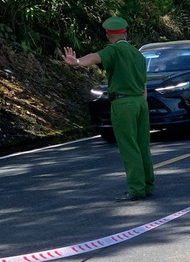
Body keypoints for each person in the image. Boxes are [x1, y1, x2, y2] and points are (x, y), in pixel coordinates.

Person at [63, 16, 153, 202]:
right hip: (141, 102)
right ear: (125, 32)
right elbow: (144, 84)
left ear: (107, 35)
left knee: (129, 146)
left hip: (123, 103)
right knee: (143, 144)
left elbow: (95, 58)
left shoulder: (113, 50)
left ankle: (136, 188)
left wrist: (77, 62)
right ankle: (147, 184)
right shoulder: (138, 54)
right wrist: (141, 102)